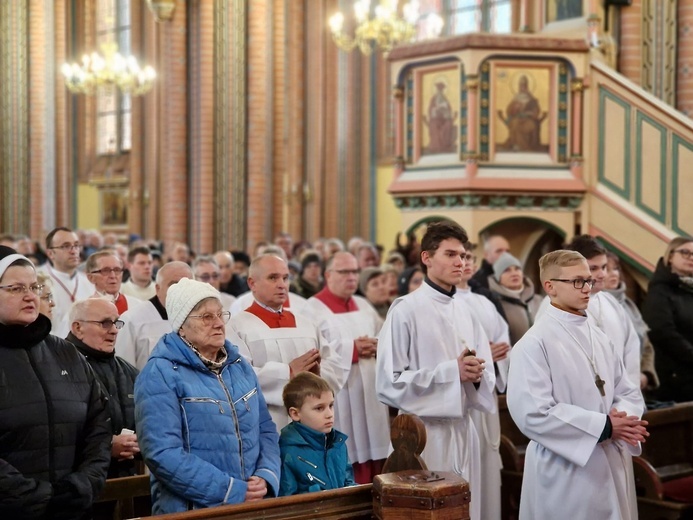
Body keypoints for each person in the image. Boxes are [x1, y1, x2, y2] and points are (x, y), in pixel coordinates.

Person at [507, 250, 647, 520]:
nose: (587, 288)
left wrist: (624, 420)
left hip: (611, 456)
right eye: (577, 282)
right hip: (565, 468)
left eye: (589, 280)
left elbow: (626, 390)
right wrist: (604, 426)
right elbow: (533, 413)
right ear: (550, 287)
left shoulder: (599, 337)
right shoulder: (534, 343)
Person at [376, 221, 496, 520]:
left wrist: (476, 376)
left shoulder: (467, 311)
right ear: (427, 258)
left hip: (466, 430)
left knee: (469, 509)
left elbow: (487, 374)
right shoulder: (405, 309)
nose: (460, 262)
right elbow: (388, 382)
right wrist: (451, 373)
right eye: (451, 254)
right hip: (426, 436)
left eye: (464, 256)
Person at [134, 278, 280, 514]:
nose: (219, 324)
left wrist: (265, 476)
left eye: (220, 315)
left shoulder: (239, 365)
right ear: (181, 325)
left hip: (252, 505)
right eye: (206, 317)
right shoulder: (159, 373)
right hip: (194, 510)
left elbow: (265, 429)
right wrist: (230, 490)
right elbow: (162, 453)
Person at [0, 246, 111, 518]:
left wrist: (82, 486)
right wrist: (40, 498)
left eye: (34, 287)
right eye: (15, 289)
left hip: (73, 508)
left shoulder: (65, 352)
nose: (30, 296)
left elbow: (99, 426)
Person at [229, 253, 350, 430]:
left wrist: (317, 374)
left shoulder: (306, 324)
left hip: (310, 426)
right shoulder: (236, 326)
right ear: (252, 283)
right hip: (266, 424)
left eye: (285, 278)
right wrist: (288, 372)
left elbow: (335, 366)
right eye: (273, 278)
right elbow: (236, 376)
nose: (281, 285)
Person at [305, 251, 390, 484]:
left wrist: (377, 345)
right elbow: (311, 350)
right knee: (348, 454)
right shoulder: (311, 309)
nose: (351, 277)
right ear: (328, 275)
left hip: (371, 394)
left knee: (377, 453)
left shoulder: (364, 304)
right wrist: (351, 349)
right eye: (344, 272)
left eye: (355, 271)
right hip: (342, 395)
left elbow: (385, 336)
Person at [454, 243, 511, 520]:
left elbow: (503, 339)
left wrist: (497, 354)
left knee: (486, 468)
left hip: (485, 391)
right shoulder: (444, 303)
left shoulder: (484, 301)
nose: (465, 262)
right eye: (459, 256)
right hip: (461, 399)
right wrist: (482, 353)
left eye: (469, 257)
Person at [67, 298, 140, 478]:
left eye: (116, 323)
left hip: (126, 479)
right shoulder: (59, 367)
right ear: (78, 328)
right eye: (105, 323)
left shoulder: (128, 370)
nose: (114, 330)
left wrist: (139, 443)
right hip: (78, 484)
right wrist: (106, 447)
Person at [278, 372, 355, 496]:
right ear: (295, 414)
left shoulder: (338, 444)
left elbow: (349, 484)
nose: (329, 414)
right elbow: (288, 503)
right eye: (319, 408)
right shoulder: (286, 452)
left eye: (331, 405)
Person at [115, 261, 193, 370]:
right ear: (158, 289)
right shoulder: (131, 320)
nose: (181, 291)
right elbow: (123, 369)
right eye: (174, 285)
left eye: (187, 285)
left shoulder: (201, 318)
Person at [642, 236, 693, 402]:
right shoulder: (660, 290)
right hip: (674, 374)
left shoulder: (688, 288)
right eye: (685, 252)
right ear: (670, 256)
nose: (691, 258)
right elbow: (662, 331)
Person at [604, 252, 659, 391]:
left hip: (637, 386)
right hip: (612, 388)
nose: (613, 274)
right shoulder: (593, 306)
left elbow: (646, 344)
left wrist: (646, 373)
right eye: (606, 269)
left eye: (615, 268)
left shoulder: (628, 305)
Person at [39, 227, 95, 337]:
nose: (73, 251)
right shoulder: (38, 280)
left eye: (76, 245)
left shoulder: (89, 282)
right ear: (50, 253)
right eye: (66, 246)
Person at [489, 252, 543, 345]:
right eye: (507, 270)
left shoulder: (539, 300)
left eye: (517, 269)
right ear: (498, 277)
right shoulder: (495, 304)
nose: (514, 273)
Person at [497, 74, 547, 152]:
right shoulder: (516, 98)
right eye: (521, 85)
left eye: (524, 85)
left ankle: (525, 147)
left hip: (529, 120)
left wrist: (530, 113)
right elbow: (509, 111)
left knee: (529, 126)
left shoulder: (532, 99)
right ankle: (515, 145)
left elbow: (536, 112)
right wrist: (515, 108)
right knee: (515, 123)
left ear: (527, 86)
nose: (522, 87)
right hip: (516, 118)